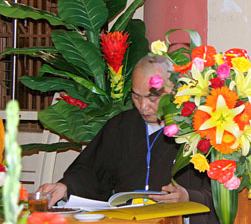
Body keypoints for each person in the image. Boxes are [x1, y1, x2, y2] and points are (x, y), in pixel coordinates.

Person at [37, 55, 218, 224]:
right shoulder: (121, 126)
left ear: (174, 91)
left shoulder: (199, 129)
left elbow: (223, 195)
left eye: (152, 98)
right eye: (136, 97)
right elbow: (91, 173)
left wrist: (188, 197)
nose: (143, 107)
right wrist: (65, 187)